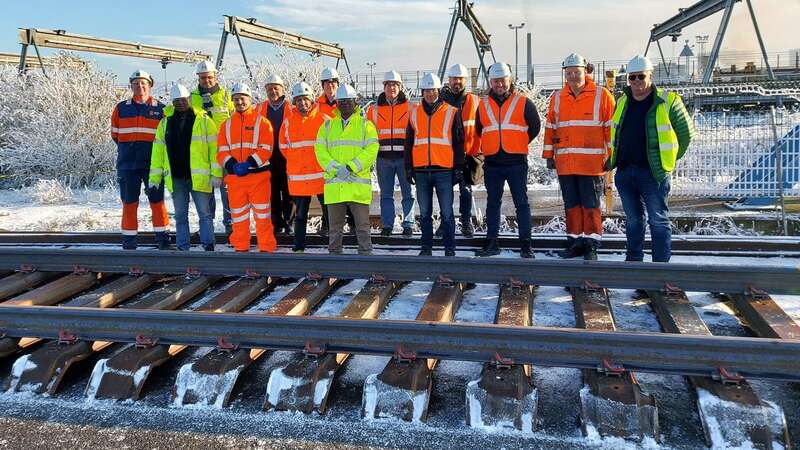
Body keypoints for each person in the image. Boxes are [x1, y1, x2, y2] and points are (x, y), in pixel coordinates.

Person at [606, 55, 694, 264]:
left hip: (653, 173)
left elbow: (686, 134)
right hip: (626, 173)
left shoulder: (668, 101)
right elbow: (615, 135)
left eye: (641, 76)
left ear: (650, 76)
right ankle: (634, 262)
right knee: (634, 221)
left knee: (658, 220)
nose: (636, 81)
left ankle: (660, 268)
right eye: (632, 77)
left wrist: (668, 160)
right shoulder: (623, 101)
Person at [543, 53, 615, 260]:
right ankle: (575, 242)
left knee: (591, 205)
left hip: (592, 164)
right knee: (571, 205)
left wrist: (612, 155)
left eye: (577, 72)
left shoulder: (602, 96)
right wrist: (549, 154)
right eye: (570, 72)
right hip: (566, 164)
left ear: (586, 71)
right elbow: (551, 127)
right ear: (565, 74)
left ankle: (591, 243)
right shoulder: (557, 97)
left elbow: (611, 129)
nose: (573, 76)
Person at [475, 62, 541, 258]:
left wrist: (519, 142)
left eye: (502, 81)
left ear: (509, 80)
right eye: (495, 81)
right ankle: (492, 243)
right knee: (492, 203)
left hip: (516, 162)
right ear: (491, 82)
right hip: (493, 163)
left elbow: (535, 126)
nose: (499, 85)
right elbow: (481, 129)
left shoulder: (523, 102)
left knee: (521, 203)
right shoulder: (483, 104)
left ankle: (526, 245)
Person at [149, 84, 220, 251]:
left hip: (199, 178)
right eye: (176, 101)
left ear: (189, 99)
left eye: (183, 100)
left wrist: (216, 173)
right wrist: (154, 179)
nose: (180, 103)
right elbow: (157, 153)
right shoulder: (165, 123)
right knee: (180, 215)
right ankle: (183, 247)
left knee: (205, 214)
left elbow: (214, 149)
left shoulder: (204, 121)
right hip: (176, 178)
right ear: (172, 103)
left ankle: (208, 245)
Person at [314, 84, 379, 255]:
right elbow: (320, 150)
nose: (344, 104)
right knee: (335, 229)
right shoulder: (327, 126)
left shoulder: (366, 125)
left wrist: (350, 167)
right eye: (341, 101)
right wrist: (336, 169)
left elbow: (371, 150)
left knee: (363, 227)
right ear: (336, 103)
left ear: (355, 102)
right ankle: (335, 260)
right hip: (336, 187)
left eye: (348, 101)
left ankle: (366, 257)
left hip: (357, 187)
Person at [404, 73, 464, 256]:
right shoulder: (414, 113)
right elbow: (408, 142)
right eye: (427, 90)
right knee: (424, 214)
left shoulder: (452, 112)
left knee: (447, 213)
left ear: (438, 90)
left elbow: (459, 142)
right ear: (422, 92)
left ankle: (449, 249)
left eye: (433, 90)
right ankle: (426, 249)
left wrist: (459, 168)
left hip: (444, 170)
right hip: (421, 171)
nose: (430, 94)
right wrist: (408, 167)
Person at [111, 70, 168, 250]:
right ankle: (129, 241)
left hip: (153, 166)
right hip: (127, 165)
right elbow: (115, 134)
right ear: (131, 86)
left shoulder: (161, 109)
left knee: (157, 202)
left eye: (143, 83)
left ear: (149, 85)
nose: (140, 86)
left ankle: (163, 240)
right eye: (136, 83)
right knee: (129, 202)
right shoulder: (121, 108)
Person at [216, 83, 276, 253]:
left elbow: (266, 148)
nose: (239, 102)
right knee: (238, 217)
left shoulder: (262, 122)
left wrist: (249, 163)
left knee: (262, 215)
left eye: (242, 98)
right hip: (235, 179)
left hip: (258, 178)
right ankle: (241, 248)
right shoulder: (226, 125)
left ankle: (266, 247)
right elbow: (221, 151)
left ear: (250, 99)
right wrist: (232, 165)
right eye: (236, 99)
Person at [279, 82, 328, 252]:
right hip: (299, 176)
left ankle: (329, 241)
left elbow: (331, 145)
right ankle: (298, 246)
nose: (302, 103)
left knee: (328, 210)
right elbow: (283, 147)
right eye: (299, 100)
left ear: (312, 100)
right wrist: (297, 161)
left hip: (320, 174)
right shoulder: (287, 123)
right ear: (294, 102)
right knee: (300, 215)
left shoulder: (324, 120)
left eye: (305, 99)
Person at [367, 70, 415, 237]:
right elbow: (368, 134)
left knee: (408, 193)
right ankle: (387, 225)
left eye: (395, 85)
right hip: (383, 159)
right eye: (389, 85)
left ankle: (408, 224)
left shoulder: (410, 107)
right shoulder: (373, 110)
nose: (392, 88)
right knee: (386, 194)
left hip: (404, 158)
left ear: (400, 87)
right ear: (384, 87)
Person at [191, 60, 234, 236]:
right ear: (198, 78)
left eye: (209, 77)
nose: (206, 81)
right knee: (205, 191)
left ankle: (230, 227)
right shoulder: (191, 98)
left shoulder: (226, 96)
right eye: (203, 78)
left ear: (215, 76)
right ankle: (207, 227)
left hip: (224, 152)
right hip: (202, 154)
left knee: (227, 192)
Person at [440, 63, 481, 238]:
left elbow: (483, 126)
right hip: (446, 156)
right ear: (449, 80)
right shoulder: (441, 101)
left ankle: (466, 223)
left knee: (465, 191)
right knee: (445, 193)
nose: (457, 82)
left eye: (460, 79)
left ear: (465, 80)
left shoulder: (474, 101)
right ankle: (445, 224)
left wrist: (480, 154)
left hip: (467, 155)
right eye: (454, 79)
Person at [256, 74, 294, 236]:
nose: (273, 91)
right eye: (270, 89)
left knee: (289, 192)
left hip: (287, 156)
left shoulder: (291, 108)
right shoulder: (259, 108)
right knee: (271, 192)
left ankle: (289, 223)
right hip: (267, 156)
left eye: (276, 88)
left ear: (282, 89)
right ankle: (276, 222)